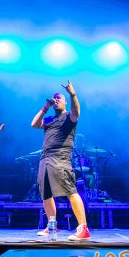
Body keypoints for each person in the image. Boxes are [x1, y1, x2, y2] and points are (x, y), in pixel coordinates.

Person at [31, 80, 90, 241]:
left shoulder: (69, 117)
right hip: (45, 158)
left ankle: (83, 228)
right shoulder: (49, 119)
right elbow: (34, 124)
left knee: (70, 191)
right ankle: (51, 226)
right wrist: (45, 107)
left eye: (59, 98)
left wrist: (72, 94)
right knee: (46, 194)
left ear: (64, 102)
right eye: (54, 98)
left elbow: (77, 111)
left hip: (61, 157)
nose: (56, 100)